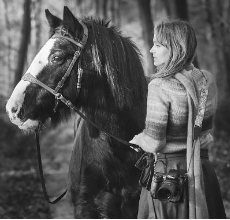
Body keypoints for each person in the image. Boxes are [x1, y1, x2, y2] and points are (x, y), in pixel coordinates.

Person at [130, 19, 226, 219]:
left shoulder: (160, 86)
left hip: (171, 177)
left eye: (158, 45)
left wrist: (138, 139)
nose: (151, 50)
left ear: (175, 48)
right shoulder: (206, 80)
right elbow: (205, 132)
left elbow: (155, 142)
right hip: (203, 171)